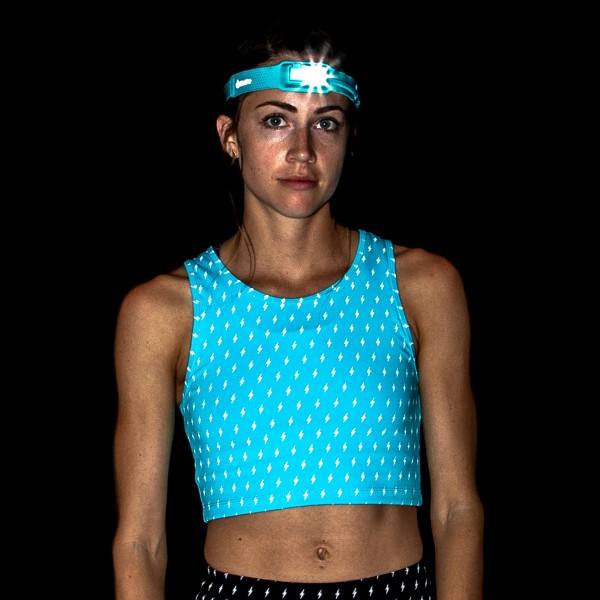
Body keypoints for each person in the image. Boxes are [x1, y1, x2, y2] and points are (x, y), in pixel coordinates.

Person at [112, 20, 484, 600]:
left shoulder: (421, 286)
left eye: (326, 123)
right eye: (276, 120)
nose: (303, 151)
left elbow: (458, 510)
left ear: (349, 138)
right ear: (230, 136)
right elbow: (141, 542)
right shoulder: (165, 310)